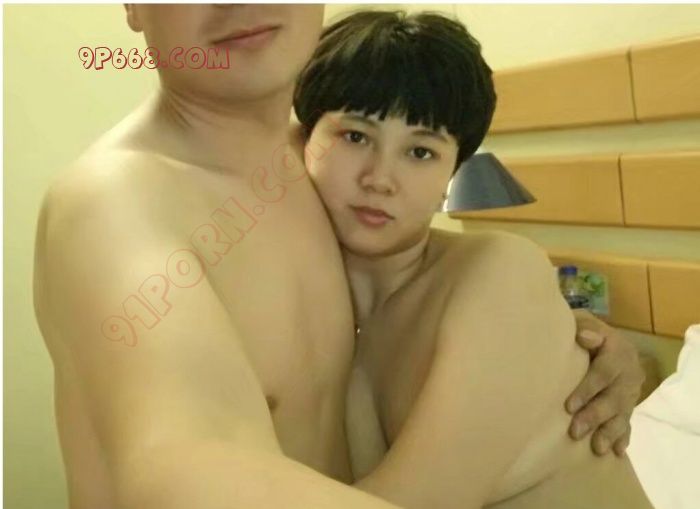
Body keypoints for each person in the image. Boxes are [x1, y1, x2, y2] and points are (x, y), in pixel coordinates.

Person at [32, 5, 643, 509]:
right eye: (356, 137)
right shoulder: (116, 202)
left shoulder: (307, 164)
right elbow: (185, 463)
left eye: (421, 153)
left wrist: (565, 335)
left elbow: (429, 286)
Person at [294, 10, 653, 508]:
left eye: (421, 152)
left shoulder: (500, 273)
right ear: (302, 140)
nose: (380, 179)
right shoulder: (302, 306)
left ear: (453, 172)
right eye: (355, 136)